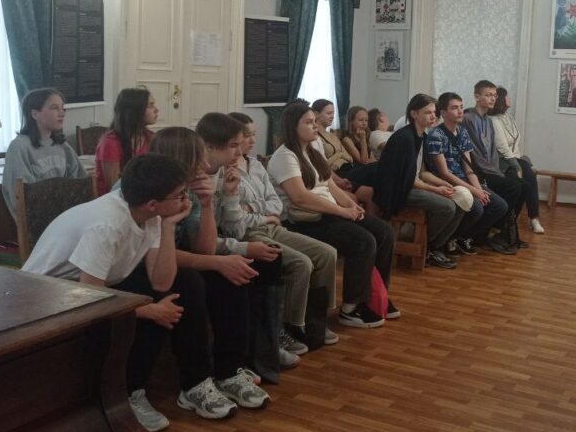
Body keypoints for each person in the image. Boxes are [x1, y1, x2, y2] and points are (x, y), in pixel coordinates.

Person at [22, 153, 248, 432]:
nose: (185, 199)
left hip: (94, 284)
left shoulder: (150, 214)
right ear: (153, 203)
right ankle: (126, 395)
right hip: (50, 296)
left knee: (180, 288)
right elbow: (89, 293)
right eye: (180, 194)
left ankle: (192, 384)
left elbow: (161, 281)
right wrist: (147, 310)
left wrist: (168, 226)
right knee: (152, 310)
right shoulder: (107, 224)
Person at [146, 125, 276, 401]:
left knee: (233, 274)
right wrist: (217, 263)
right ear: (181, 162)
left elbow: (202, 248)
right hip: (142, 268)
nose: (206, 165)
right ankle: (195, 382)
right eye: (199, 159)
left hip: (173, 258)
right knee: (192, 283)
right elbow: (152, 254)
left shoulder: (189, 190)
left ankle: (229, 370)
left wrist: (206, 204)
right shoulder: (148, 193)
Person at [268, 101, 397, 329]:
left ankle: (376, 296)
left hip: (326, 211)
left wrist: (351, 205)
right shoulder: (284, 156)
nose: (314, 126)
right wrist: (342, 211)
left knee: (384, 232)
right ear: (292, 126)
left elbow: (330, 185)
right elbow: (300, 198)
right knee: (362, 241)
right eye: (308, 123)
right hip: (303, 220)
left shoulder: (312, 149)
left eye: (314, 122)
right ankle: (351, 307)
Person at [227, 112, 339, 355]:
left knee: (327, 253)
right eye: (246, 136)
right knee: (301, 263)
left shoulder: (256, 165)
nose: (252, 140)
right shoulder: (227, 172)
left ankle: (316, 318)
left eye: (254, 134)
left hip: (273, 225)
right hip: (249, 233)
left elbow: (276, 203)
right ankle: (291, 326)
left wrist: (255, 209)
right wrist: (263, 213)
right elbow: (236, 220)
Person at [372, 94, 465, 270]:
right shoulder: (405, 138)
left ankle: (434, 246)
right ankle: (428, 245)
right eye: (428, 112)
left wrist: (442, 184)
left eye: (434, 112)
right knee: (448, 206)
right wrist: (435, 190)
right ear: (414, 114)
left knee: (460, 201)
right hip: (398, 192)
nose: (433, 116)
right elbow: (407, 180)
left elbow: (421, 172)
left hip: (411, 185)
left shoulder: (421, 135)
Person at [426, 92, 512, 255]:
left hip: (464, 179)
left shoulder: (462, 132)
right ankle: (446, 241)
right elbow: (444, 173)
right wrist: (474, 192)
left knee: (500, 206)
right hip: (447, 182)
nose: (460, 111)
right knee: (477, 208)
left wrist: (479, 189)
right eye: (454, 108)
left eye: (461, 107)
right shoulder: (436, 135)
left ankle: (462, 236)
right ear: (443, 113)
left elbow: (469, 168)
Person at [1, 87, 89, 215]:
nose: (62, 113)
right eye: (54, 108)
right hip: (39, 219)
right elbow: (22, 197)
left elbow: (82, 184)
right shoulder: (19, 147)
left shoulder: (63, 146)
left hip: (68, 215)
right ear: (35, 114)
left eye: (62, 108)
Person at [462, 80, 522, 250]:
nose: (493, 98)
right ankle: (493, 229)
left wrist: (496, 170)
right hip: (478, 172)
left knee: (520, 186)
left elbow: (492, 150)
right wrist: (490, 172)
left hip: (491, 169)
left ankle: (499, 231)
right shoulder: (468, 118)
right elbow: (473, 152)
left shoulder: (488, 120)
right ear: (477, 97)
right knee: (513, 188)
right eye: (488, 95)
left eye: (494, 95)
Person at [490, 86, 544, 234]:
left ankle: (534, 218)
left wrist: (522, 162)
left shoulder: (508, 117)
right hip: (503, 162)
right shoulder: (493, 120)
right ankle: (508, 222)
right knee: (523, 184)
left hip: (515, 158)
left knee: (530, 175)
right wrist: (518, 166)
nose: (510, 98)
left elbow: (515, 143)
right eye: (507, 96)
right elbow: (502, 147)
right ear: (502, 99)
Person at [95, 87, 159, 194]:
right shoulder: (111, 142)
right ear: (135, 111)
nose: (156, 109)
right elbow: (113, 187)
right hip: (117, 198)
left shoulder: (151, 137)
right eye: (150, 105)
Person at [310, 98, 376, 197]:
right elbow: (323, 163)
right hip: (338, 173)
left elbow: (348, 157)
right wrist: (340, 155)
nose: (332, 116)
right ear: (316, 114)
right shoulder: (315, 137)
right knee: (375, 169)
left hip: (349, 167)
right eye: (329, 113)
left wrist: (338, 159)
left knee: (379, 168)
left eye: (333, 113)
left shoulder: (333, 135)